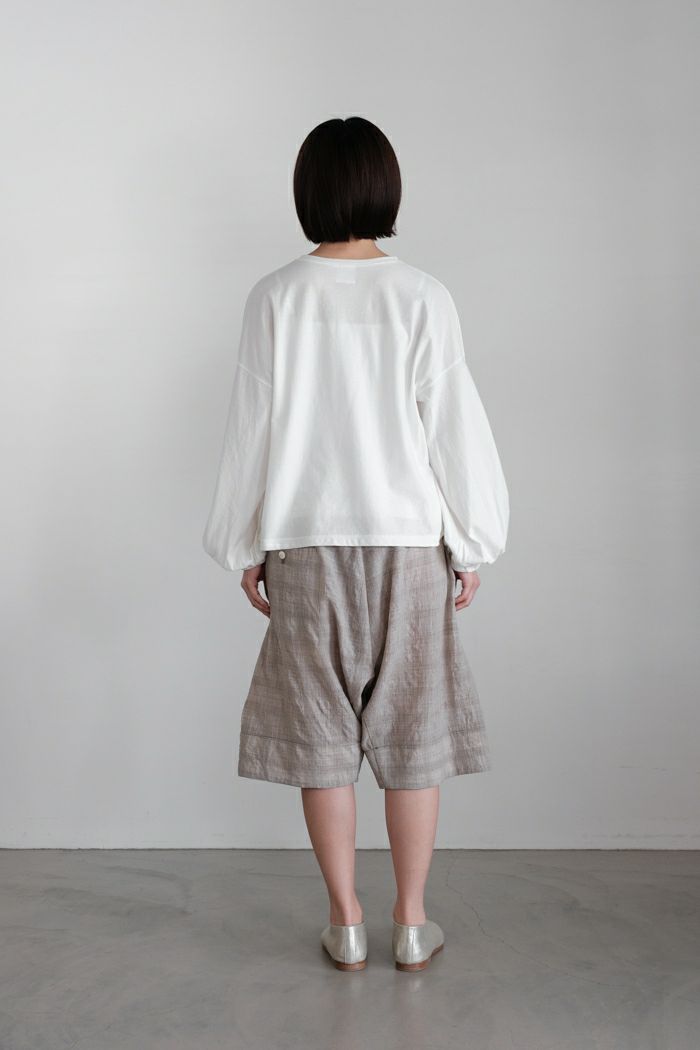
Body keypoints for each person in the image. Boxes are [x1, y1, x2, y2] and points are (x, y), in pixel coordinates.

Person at [202, 116, 509, 972]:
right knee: (412, 737)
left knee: (321, 738)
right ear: (385, 187)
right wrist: (471, 540)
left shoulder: (276, 297)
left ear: (307, 191)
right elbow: (452, 426)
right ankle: (411, 922)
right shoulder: (423, 295)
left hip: (304, 545)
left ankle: (344, 922)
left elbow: (253, 427)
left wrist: (244, 541)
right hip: (408, 544)